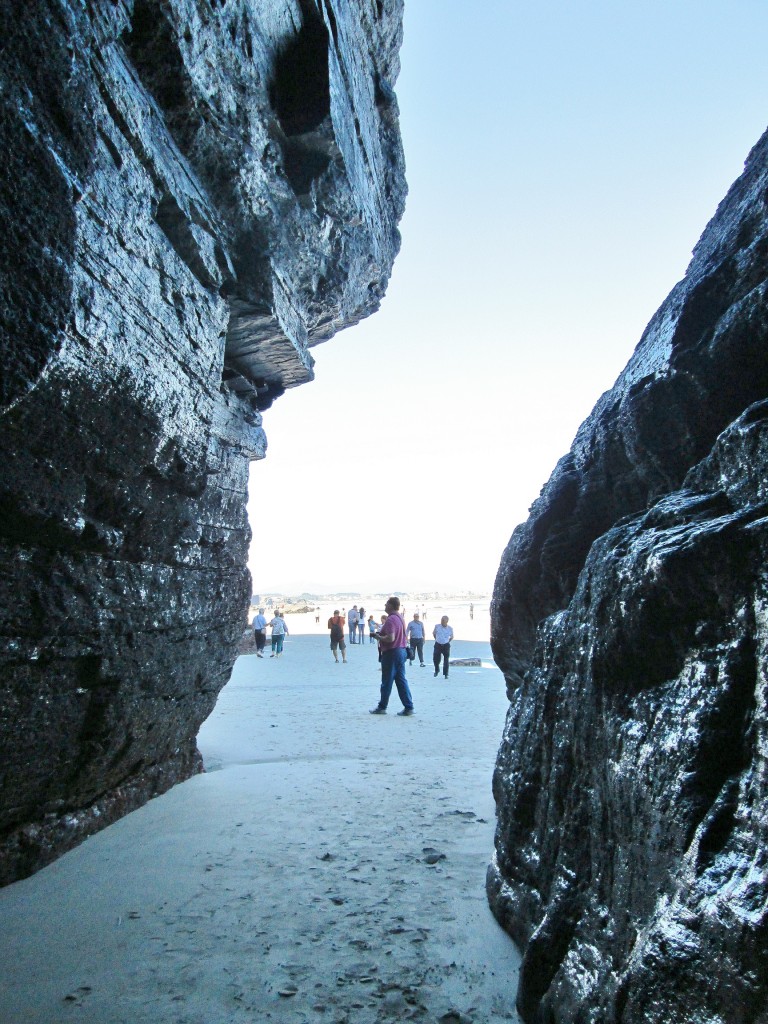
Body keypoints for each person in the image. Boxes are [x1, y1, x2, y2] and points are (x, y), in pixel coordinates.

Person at [370, 596, 414, 716]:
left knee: (387, 681)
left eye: (386, 604)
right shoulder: (400, 618)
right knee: (400, 680)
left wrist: (378, 637)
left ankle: (382, 706)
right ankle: (408, 707)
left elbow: (391, 638)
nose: (385, 605)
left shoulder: (391, 620)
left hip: (392, 652)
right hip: (401, 651)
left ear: (391, 605)